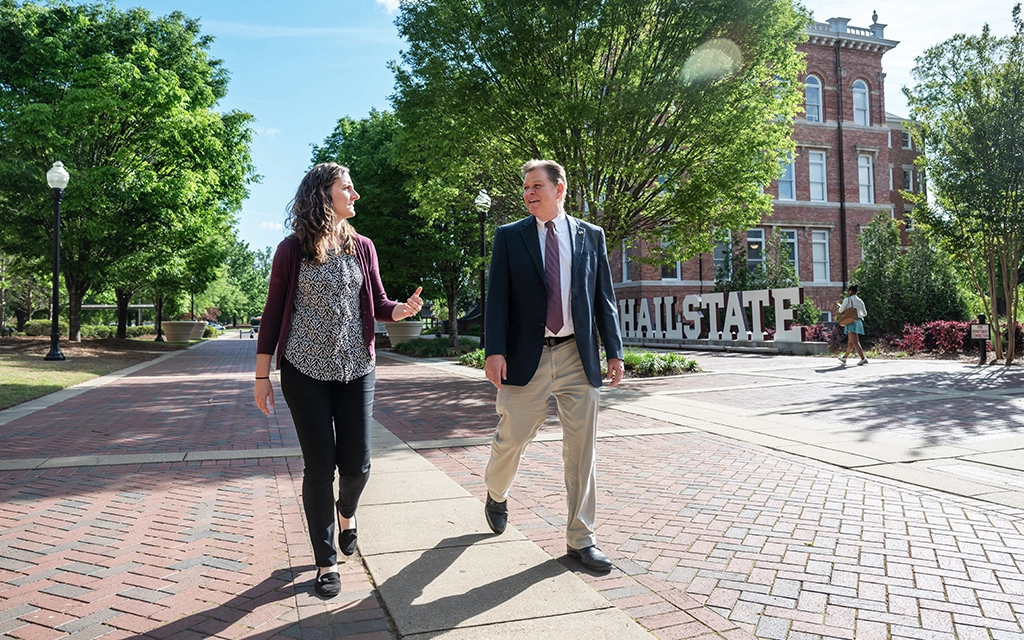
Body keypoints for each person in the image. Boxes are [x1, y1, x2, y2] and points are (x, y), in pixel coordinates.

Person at [253, 162, 423, 598]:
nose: (356, 195)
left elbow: (379, 302)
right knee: (319, 465)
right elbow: (273, 314)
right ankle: (326, 562)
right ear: (324, 195)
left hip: (355, 368)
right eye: (348, 188)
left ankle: (347, 511)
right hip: (303, 370)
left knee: (357, 464)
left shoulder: (363, 246)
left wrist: (398, 311)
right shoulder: (292, 250)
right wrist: (261, 375)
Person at [482, 159, 624, 573]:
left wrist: (613, 351)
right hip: (526, 356)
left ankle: (582, 539)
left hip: (577, 355)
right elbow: (498, 298)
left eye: (537, 186)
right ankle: (496, 492)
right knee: (513, 437)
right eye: (525, 187)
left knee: (581, 449)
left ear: (559, 189)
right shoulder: (510, 237)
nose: (528, 193)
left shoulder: (590, 236)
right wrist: (495, 350)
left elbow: (603, 298)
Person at [838, 284, 868, 365]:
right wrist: (858, 314)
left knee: (855, 342)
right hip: (858, 322)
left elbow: (841, 310)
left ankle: (863, 358)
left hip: (851, 322)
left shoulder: (847, 300)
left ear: (851, 291)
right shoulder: (860, 301)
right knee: (850, 342)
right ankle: (845, 358)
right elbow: (865, 313)